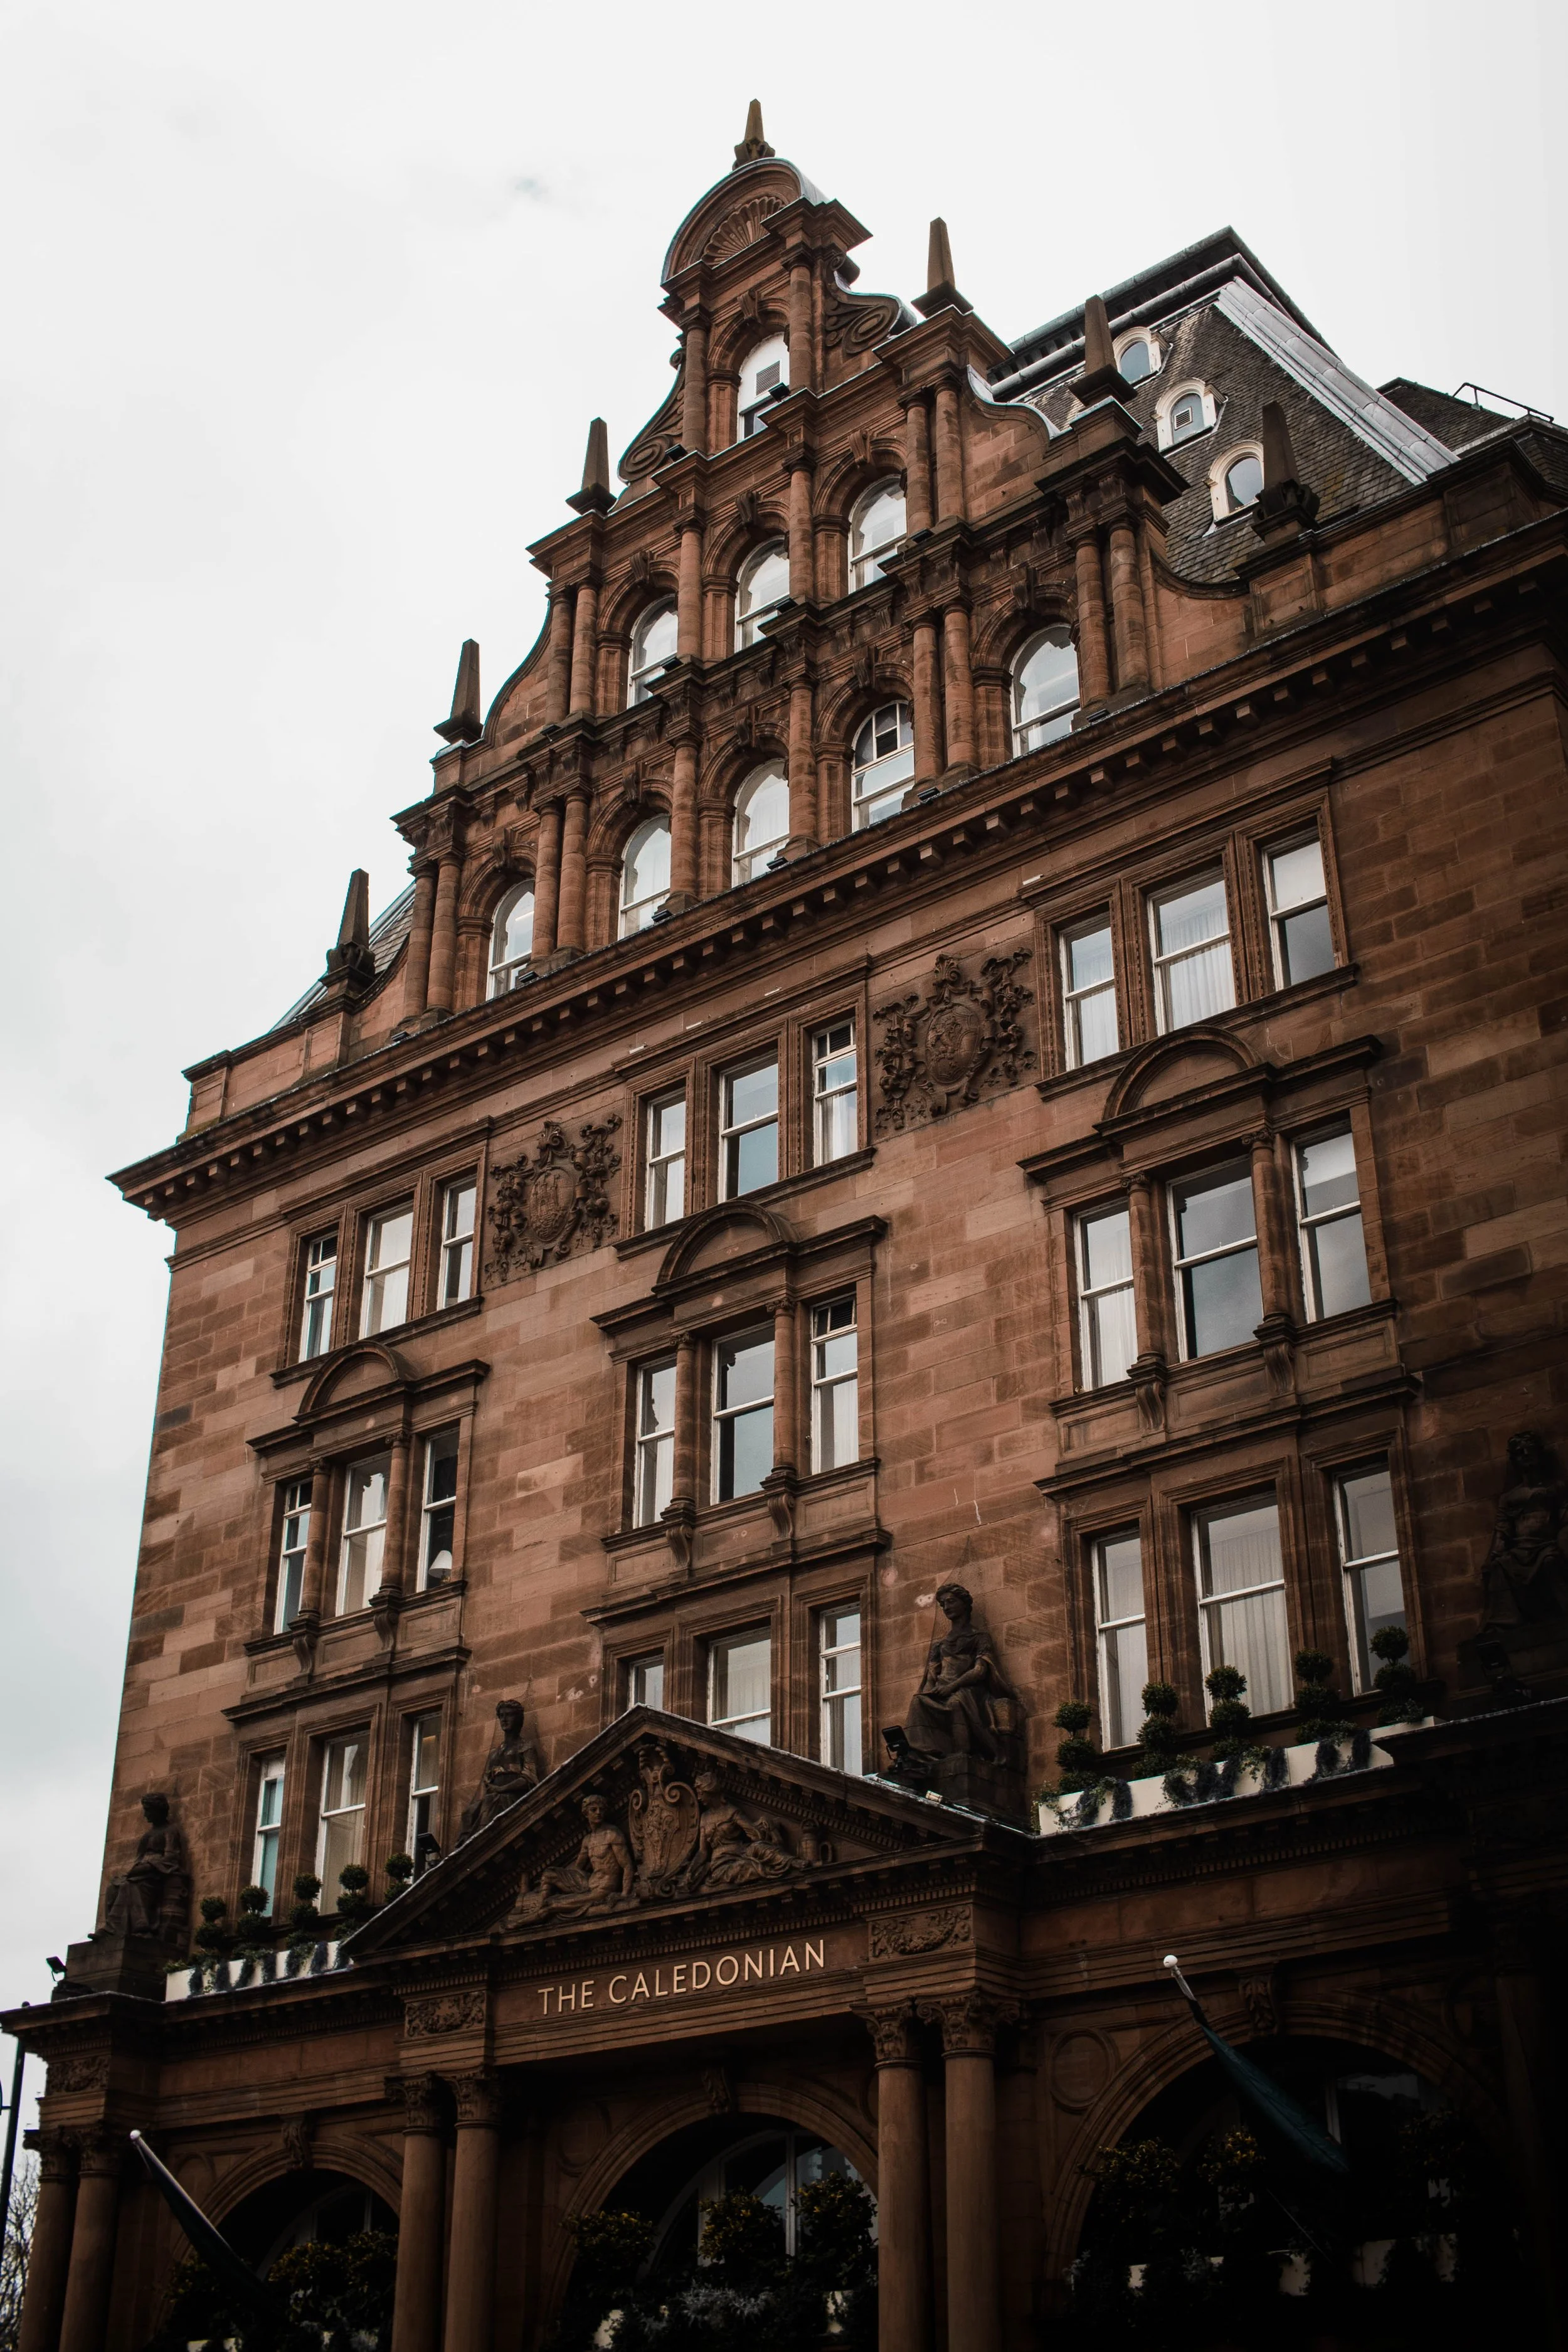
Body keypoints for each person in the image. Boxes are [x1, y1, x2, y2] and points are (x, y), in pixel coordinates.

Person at [899, 1582, 1018, 1763]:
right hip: (943, 1689)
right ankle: (922, 1754)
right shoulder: (940, 1645)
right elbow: (932, 1675)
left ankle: (962, 1753)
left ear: (964, 1603)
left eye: (951, 1602)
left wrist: (952, 1686)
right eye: (943, 1605)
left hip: (969, 1688)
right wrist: (929, 1693)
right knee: (918, 1701)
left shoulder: (979, 1637)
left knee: (957, 1701)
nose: (946, 1608)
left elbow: (980, 1671)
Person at [514, 1794, 635, 1920]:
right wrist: (558, 1881)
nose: (599, 1813)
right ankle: (537, 1905)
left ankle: (526, 1919)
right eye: (594, 1810)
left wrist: (624, 1894)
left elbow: (627, 1866)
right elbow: (577, 1869)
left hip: (603, 1889)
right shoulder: (587, 1840)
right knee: (549, 1873)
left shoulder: (612, 1834)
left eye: (602, 1809)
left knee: (553, 1905)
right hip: (589, 1883)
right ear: (586, 1813)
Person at [103, 1793, 189, 1939]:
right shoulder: (147, 1835)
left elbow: (171, 1856)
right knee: (114, 1887)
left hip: (157, 1873)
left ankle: (140, 1926)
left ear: (158, 1810)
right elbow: (139, 1858)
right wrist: (135, 1870)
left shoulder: (170, 1831)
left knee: (130, 1886)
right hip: (143, 1871)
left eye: (148, 1811)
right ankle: (112, 1927)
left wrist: (150, 1866)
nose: (146, 1815)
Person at [460, 1698, 538, 1837]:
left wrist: (502, 1789)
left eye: (509, 1715)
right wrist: (493, 1787)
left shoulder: (525, 1747)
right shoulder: (495, 1754)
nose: (504, 1719)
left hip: (513, 1798)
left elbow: (529, 1778)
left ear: (518, 1719)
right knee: (468, 1813)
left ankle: (482, 1840)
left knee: (490, 1803)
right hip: (495, 1796)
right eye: (501, 1716)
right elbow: (487, 1780)